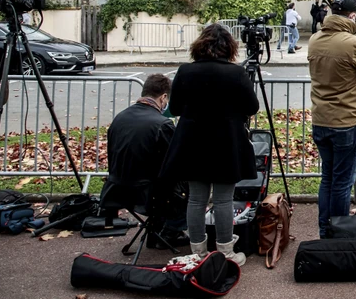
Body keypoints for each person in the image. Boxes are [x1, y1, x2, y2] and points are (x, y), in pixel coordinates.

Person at [160, 24, 259, 265]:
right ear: (229, 47)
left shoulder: (185, 71)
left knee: (196, 198)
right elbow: (252, 107)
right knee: (224, 199)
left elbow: (175, 107)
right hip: (226, 141)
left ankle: (198, 251)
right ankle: (225, 251)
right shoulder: (235, 73)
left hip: (193, 140)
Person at [308, 0, 356, 238]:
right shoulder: (353, 43)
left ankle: (324, 231)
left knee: (327, 178)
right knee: (342, 182)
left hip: (321, 119)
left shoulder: (315, 39)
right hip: (347, 122)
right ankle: (338, 235)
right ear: (353, 16)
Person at [100, 74, 187, 248]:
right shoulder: (162, 124)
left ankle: (158, 230)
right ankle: (170, 231)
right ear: (163, 97)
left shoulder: (120, 118)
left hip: (117, 188)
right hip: (147, 192)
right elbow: (175, 161)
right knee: (190, 185)